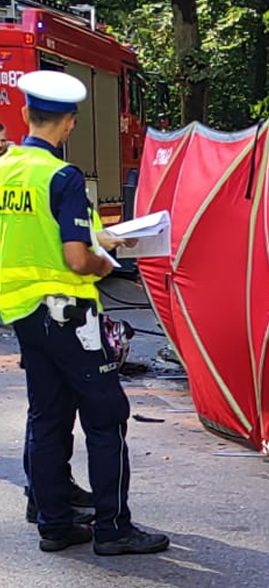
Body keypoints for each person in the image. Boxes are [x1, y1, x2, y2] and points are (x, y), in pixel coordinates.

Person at [0, 70, 169, 554]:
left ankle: (53, 522)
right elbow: (77, 258)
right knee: (107, 413)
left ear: (27, 115)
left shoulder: (6, 169)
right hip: (67, 310)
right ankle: (113, 528)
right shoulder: (63, 176)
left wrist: (99, 234)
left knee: (49, 413)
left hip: (22, 311)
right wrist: (105, 260)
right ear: (70, 124)